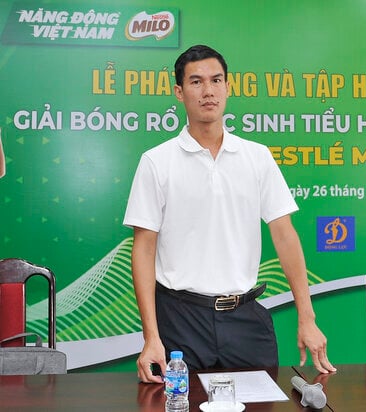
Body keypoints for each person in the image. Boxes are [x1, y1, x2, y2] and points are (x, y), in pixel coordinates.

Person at [124, 45, 336, 383]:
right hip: (180, 321)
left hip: (246, 319)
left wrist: (306, 318)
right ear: (179, 92)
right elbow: (144, 248)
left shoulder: (257, 156)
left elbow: (284, 235)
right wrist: (151, 336)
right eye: (196, 82)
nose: (208, 91)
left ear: (228, 87)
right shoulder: (157, 162)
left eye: (216, 80)